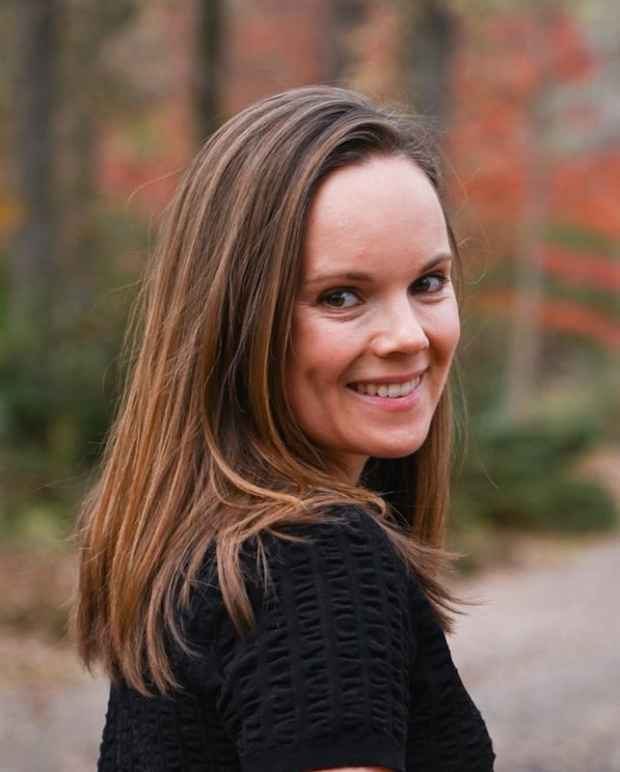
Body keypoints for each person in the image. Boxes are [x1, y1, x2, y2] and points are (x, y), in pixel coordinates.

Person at [73, 85, 495, 772]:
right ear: (234, 324)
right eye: (341, 296)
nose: (408, 336)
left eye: (428, 282)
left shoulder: (214, 547)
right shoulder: (313, 558)